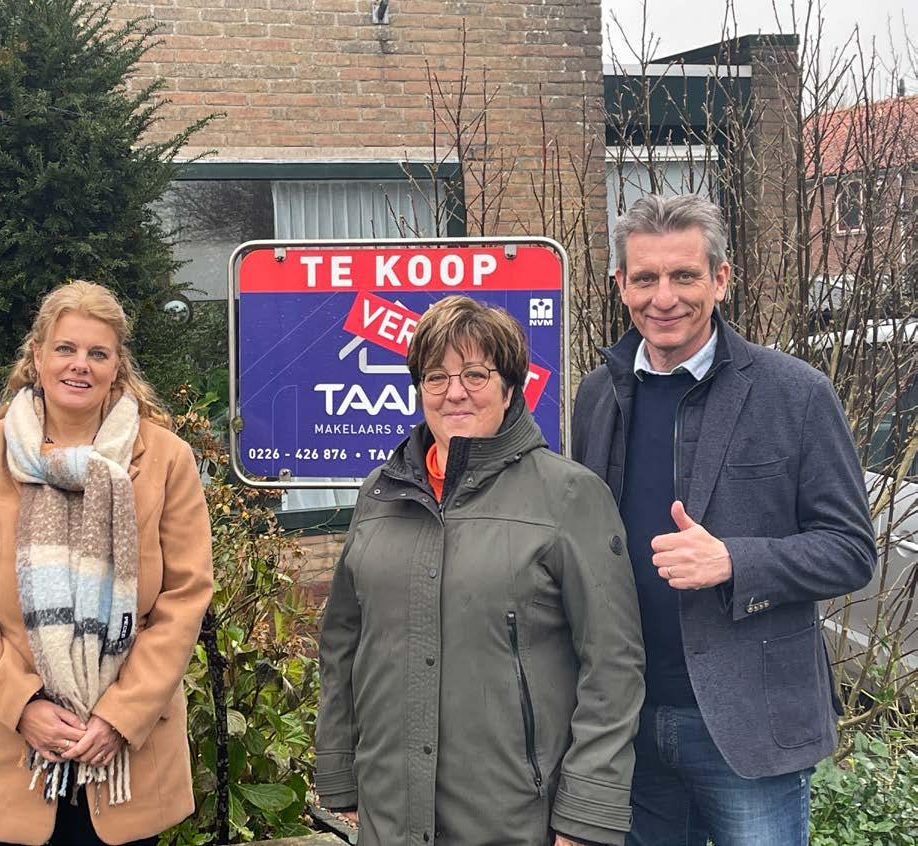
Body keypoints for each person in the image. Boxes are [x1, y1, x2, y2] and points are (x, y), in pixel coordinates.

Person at [571, 194, 877, 846]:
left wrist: (735, 560)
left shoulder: (795, 393)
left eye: (684, 276)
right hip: (626, 721)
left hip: (747, 725)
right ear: (620, 284)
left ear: (720, 279)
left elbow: (851, 549)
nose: (664, 298)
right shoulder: (598, 394)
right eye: (645, 278)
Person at [316, 295, 645, 846]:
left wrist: (585, 813)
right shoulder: (381, 492)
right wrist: (338, 768)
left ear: (510, 387)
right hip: (390, 811)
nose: (455, 392)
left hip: (514, 816)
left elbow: (613, 665)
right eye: (436, 376)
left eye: (475, 373)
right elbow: (342, 642)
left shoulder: (569, 495)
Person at [0, 280, 213, 846]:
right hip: (12, 747)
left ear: (117, 366)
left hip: (128, 753)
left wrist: (120, 715)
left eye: (97, 353)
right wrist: (23, 705)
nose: (79, 365)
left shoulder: (165, 459)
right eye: (65, 348)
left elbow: (185, 599)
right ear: (37, 357)